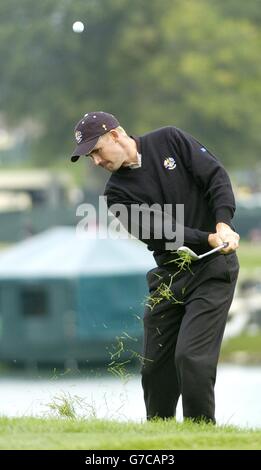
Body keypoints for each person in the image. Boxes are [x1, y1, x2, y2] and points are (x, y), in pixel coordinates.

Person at [70, 111, 240, 423]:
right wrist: (210, 237)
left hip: (213, 269)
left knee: (191, 358)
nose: (95, 161)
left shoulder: (169, 140)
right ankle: (159, 435)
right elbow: (163, 231)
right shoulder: (116, 194)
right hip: (169, 274)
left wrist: (223, 223)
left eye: (96, 151)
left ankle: (199, 435)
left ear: (117, 135)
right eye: (89, 156)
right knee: (154, 366)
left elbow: (216, 177)